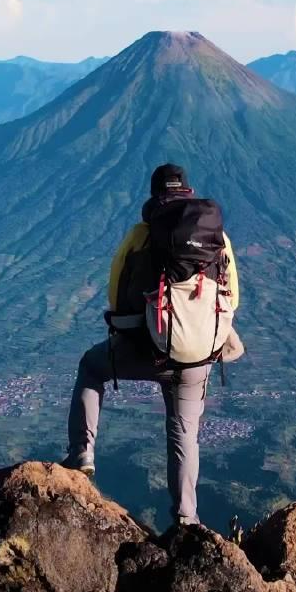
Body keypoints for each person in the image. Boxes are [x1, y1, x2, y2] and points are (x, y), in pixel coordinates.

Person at [62, 163, 241, 526]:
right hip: (197, 358)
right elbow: (232, 298)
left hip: (145, 351)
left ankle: (82, 454)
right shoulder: (218, 239)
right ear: (188, 192)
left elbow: (115, 294)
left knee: (91, 366)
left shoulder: (142, 234)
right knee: (184, 434)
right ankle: (186, 519)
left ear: (155, 195)